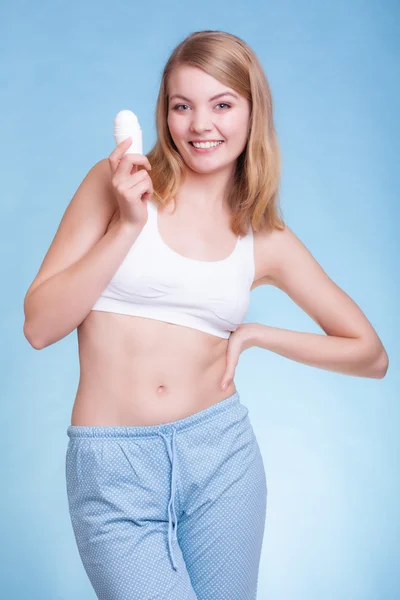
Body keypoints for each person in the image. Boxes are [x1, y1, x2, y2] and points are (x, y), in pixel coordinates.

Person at [23, 30, 388, 600]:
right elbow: (40, 327)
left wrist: (258, 335)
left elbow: (371, 355)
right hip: (113, 469)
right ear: (164, 113)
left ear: (251, 112)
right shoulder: (115, 184)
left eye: (222, 105)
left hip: (221, 460)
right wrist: (126, 225)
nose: (200, 125)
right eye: (182, 106)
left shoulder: (264, 237)